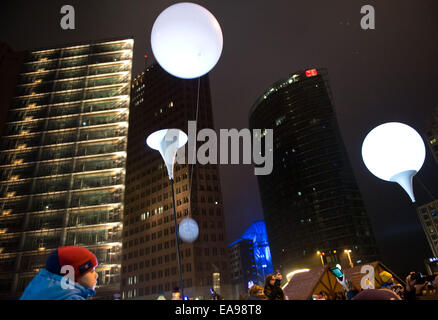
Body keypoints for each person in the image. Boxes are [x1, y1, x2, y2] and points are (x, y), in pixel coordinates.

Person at [20, 246, 99, 300]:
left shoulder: (38, 290)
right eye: (91, 271)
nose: (96, 275)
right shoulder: (71, 298)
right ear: (74, 277)